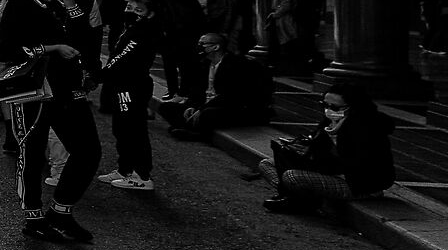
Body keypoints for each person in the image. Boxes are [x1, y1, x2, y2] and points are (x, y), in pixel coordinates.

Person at [0, 0, 102, 243]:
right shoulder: (19, 4)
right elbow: (6, 51)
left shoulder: (66, 3)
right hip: (31, 90)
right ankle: (33, 216)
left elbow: (84, 40)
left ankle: (61, 211)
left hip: (67, 88)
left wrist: (69, 3)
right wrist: (50, 49)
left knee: (88, 151)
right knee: (32, 153)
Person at [265, 85, 396, 215]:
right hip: (332, 172)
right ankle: (295, 198)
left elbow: (350, 164)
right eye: (325, 105)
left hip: (358, 183)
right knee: (267, 164)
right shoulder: (330, 123)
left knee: (291, 176)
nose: (328, 110)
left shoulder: (366, 128)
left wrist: (314, 155)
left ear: (353, 107)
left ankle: (297, 199)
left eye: (334, 107)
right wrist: (304, 147)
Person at [96, 0, 159, 192]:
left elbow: (123, 56)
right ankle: (125, 169)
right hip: (124, 82)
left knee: (132, 128)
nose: (129, 10)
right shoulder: (138, 25)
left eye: (135, 7)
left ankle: (141, 174)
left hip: (130, 84)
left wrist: (102, 75)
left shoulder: (144, 29)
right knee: (121, 127)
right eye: (129, 5)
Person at [158, 31, 274, 137]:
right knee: (166, 107)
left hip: (235, 107)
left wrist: (202, 109)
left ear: (216, 47)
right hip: (206, 105)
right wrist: (193, 106)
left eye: (203, 44)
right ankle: (189, 125)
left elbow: (230, 96)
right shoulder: (204, 64)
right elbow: (197, 90)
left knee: (208, 114)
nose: (199, 47)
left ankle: (198, 132)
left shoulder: (236, 65)